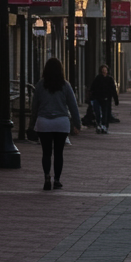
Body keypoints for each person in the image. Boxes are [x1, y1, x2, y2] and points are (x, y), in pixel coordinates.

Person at [31, 58, 81, 190]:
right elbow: (73, 106)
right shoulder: (65, 85)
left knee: (46, 152)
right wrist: (77, 123)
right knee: (59, 153)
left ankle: (47, 176)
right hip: (61, 122)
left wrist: (31, 124)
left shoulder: (40, 85)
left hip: (44, 122)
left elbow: (34, 107)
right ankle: (57, 180)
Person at [89, 64, 119, 134]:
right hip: (98, 98)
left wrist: (116, 99)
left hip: (106, 99)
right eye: (103, 70)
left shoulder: (110, 79)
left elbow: (113, 90)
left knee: (106, 112)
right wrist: (91, 97)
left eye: (105, 70)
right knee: (98, 112)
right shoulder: (98, 78)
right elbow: (93, 88)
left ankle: (104, 126)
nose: (104, 71)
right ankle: (99, 125)